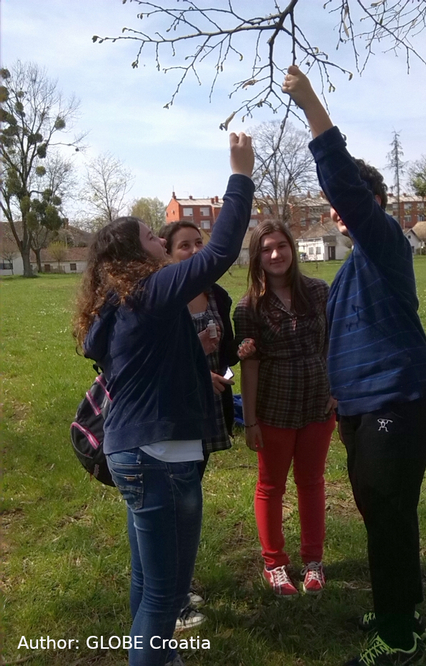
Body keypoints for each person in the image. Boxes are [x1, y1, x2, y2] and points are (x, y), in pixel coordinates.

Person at [73, 132, 254, 666]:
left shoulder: (117, 303)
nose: (161, 240)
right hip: (161, 457)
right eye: (153, 236)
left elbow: (142, 365)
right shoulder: (150, 292)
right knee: (165, 595)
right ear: (135, 254)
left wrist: (191, 355)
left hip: (133, 451)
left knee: (145, 579)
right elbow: (221, 251)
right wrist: (240, 174)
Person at [282, 66, 426, 665]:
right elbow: (334, 340)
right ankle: (404, 607)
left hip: (396, 400)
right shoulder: (348, 274)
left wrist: (311, 104)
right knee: (383, 510)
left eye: (346, 202)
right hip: (359, 407)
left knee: (387, 506)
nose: (338, 211)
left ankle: (398, 637)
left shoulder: (387, 246)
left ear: (370, 205)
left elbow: (344, 184)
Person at [233, 221, 336, 598]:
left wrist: (336, 390)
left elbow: (333, 343)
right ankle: (274, 564)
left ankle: (313, 562)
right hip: (274, 408)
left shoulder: (319, 292)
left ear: (292, 249)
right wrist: (250, 421)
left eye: (281, 246)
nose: (275, 254)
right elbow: (250, 365)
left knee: (311, 483)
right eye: (266, 249)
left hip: (317, 404)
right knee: (271, 486)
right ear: (256, 257)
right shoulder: (249, 307)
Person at [159, 220, 240, 631]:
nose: (192, 252)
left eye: (198, 243)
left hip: (209, 412)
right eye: (183, 246)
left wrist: (230, 362)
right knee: (176, 504)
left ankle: (178, 584)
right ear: (168, 254)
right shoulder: (164, 297)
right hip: (175, 414)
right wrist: (196, 363)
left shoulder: (217, 295)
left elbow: (224, 352)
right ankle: (171, 594)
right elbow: (156, 359)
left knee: (190, 498)